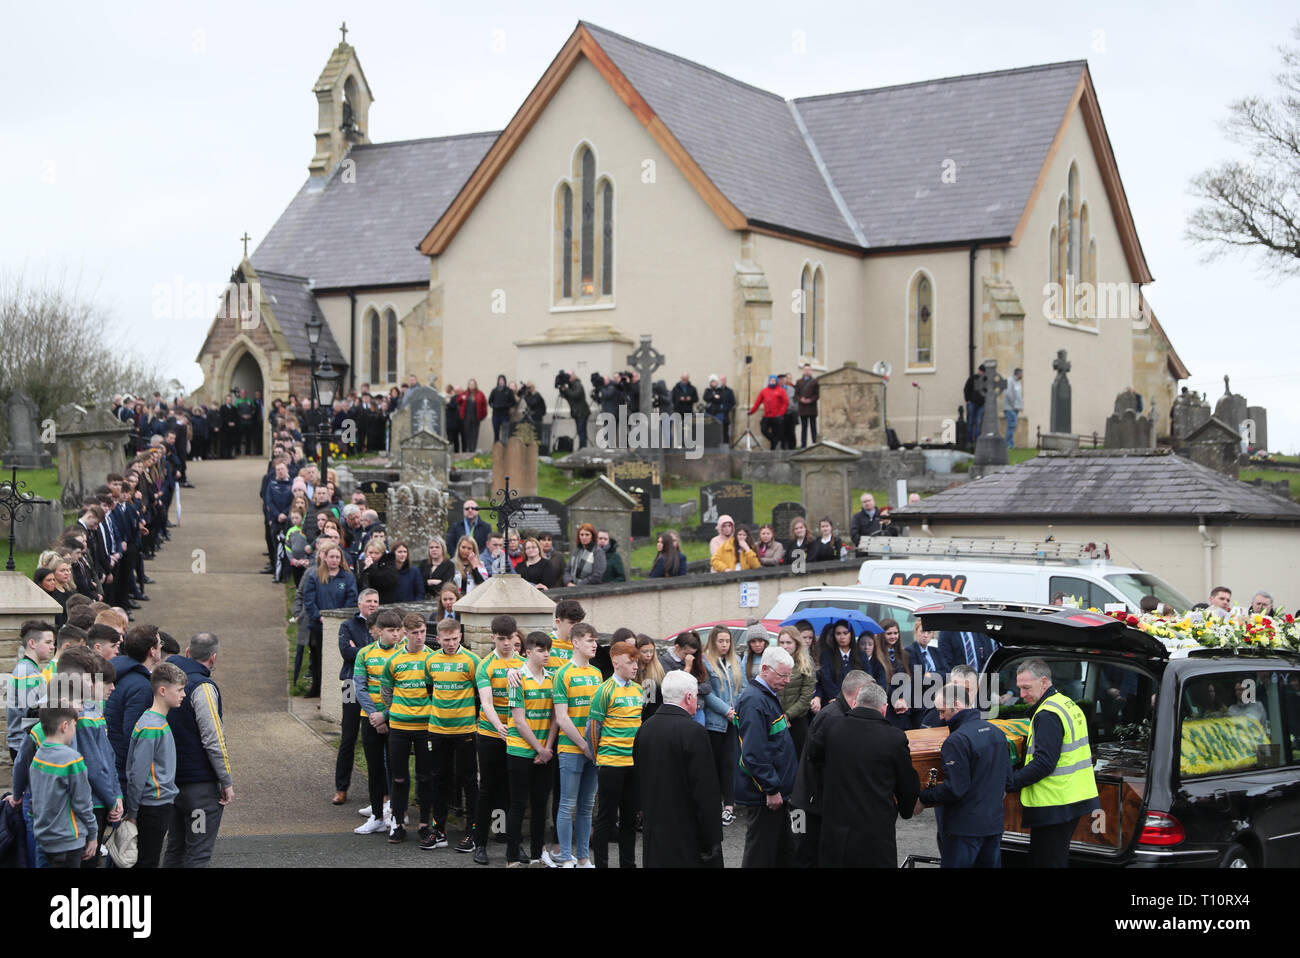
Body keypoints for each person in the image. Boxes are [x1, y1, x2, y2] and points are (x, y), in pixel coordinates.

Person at [812, 680, 919, 867]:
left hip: (836, 832)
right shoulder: (894, 738)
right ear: (884, 708)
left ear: (855, 703)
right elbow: (907, 784)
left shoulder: (832, 729)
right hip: (875, 836)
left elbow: (814, 757)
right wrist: (906, 809)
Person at [1007, 658, 1100, 867]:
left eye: (1026, 688)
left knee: (1047, 861)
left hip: (1053, 802)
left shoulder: (1047, 714)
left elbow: (1043, 764)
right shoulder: (1067, 703)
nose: (1022, 695)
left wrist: (1008, 783)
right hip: (1072, 797)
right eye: (1019, 688)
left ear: (1044, 682)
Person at [634, 669, 724, 867]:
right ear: (689, 697)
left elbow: (638, 779)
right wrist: (713, 838)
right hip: (687, 835)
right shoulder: (694, 732)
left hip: (654, 833)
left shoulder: (645, 729)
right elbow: (705, 790)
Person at [917, 681, 1011, 867]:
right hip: (993, 826)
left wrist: (923, 796)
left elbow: (955, 789)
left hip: (964, 830)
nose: (941, 717)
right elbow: (1008, 781)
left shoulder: (957, 740)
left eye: (943, 711)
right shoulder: (997, 733)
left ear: (957, 705)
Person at [162, 632, 234, 868]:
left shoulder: (165, 681)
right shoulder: (203, 687)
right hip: (199, 791)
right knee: (198, 851)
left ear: (187, 652)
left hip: (170, 783)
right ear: (213, 658)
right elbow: (213, 739)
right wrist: (226, 781)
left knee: (174, 846)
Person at [791, 669, 873, 867]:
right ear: (859, 691)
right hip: (809, 807)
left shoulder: (838, 714)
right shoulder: (834, 718)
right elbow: (817, 756)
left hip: (811, 802)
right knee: (807, 857)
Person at [734, 645, 798, 867]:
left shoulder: (766, 696)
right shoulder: (754, 701)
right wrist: (771, 789)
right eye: (783, 675)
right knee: (760, 855)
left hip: (777, 793)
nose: (787, 681)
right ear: (765, 669)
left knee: (782, 852)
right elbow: (754, 753)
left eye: (790, 675)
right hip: (765, 796)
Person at [548, 622, 603, 867]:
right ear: (576, 642)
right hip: (572, 749)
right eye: (590, 640)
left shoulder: (597, 673)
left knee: (587, 806)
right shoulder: (563, 674)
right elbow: (561, 717)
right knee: (567, 804)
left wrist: (594, 746)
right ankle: (566, 857)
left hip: (593, 749)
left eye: (595, 640)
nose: (595, 645)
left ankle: (583, 858)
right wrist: (584, 745)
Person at [379, 614, 437, 846]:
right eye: (415, 633)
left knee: (425, 776)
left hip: (425, 727)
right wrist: (397, 710)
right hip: (400, 727)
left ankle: (425, 824)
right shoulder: (394, 660)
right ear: (405, 633)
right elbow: (386, 692)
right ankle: (398, 824)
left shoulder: (432, 659)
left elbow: (437, 691)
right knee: (400, 777)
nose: (420, 637)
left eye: (423, 632)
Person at [471, 615, 524, 865]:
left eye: (509, 639)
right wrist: (499, 726)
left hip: (517, 737)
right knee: (487, 790)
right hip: (491, 735)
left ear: (516, 637)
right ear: (493, 638)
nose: (506, 644)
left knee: (515, 792)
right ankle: (479, 843)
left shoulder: (523, 664)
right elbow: (486, 702)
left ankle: (513, 845)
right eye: (501, 639)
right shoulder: (485, 665)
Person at [588, 640, 645, 868]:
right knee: (606, 819)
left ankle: (627, 864)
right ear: (615, 662)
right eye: (630, 662)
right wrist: (598, 758)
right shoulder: (604, 690)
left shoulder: (639, 690)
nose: (635, 667)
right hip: (611, 763)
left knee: (630, 820)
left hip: (633, 765)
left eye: (636, 662)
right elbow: (593, 728)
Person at [124, 660, 187, 868]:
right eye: (179, 689)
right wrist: (132, 813)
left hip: (158, 803)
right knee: (147, 861)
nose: (183, 694)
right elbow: (137, 773)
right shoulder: (152, 726)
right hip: (152, 805)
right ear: (162, 690)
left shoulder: (156, 722)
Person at [426, 616, 481, 853]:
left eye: (454, 639)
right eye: (446, 640)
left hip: (466, 731)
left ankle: (473, 832)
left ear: (461, 637)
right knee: (439, 780)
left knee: (469, 781)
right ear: (438, 639)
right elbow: (430, 688)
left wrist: (471, 717)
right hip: (438, 730)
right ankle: (439, 831)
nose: (450, 643)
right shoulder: (431, 661)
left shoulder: (472, 661)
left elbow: (480, 694)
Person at [506, 631, 557, 867]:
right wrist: (540, 748)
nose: (546, 654)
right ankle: (513, 857)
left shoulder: (553, 678)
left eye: (548, 649)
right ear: (528, 652)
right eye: (540, 649)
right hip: (520, 749)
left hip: (544, 751)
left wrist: (547, 747)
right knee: (517, 804)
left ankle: (537, 855)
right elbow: (519, 720)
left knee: (540, 806)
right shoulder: (517, 678)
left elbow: (557, 716)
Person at [353, 609, 402, 836]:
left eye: (398, 630)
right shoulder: (364, 653)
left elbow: (403, 690)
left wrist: (386, 715)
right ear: (379, 631)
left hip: (395, 718)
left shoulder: (403, 653)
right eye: (391, 631)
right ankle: (377, 816)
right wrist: (375, 715)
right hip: (370, 719)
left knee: (395, 767)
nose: (396, 635)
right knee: (374, 768)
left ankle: (395, 813)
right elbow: (359, 687)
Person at [30, 707, 98, 868]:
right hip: (68, 840)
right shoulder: (71, 759)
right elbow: (82, 803)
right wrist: (93, 834)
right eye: (74, 726)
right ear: (64, 726)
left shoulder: (38, 755)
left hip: (43, 837)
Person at [335, 590, 380, 806]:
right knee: (348, 735)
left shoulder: (382, 624)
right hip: (349, 683)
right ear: (359, 603)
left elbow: (384, 651)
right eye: (369, 601)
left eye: (376, 602)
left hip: (373, 685)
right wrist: (370, 650)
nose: (372, 605)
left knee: (373, 737)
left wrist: (359, 650)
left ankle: (381, 792)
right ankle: (341, 788)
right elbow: (346, 652)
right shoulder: (347, 626)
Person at [106, 624, 164, 789]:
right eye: (160, 644)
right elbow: (135, 737)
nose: (161, 647)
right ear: (152, 651)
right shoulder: (141, 687)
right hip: (124, 774)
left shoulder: (117, 671)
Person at [301, 542, 358, 698]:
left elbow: (352, 599)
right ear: (325, 558)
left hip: (343, 628)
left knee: (344, 661)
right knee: (319, 661)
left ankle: (347, 696)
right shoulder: (315, 576)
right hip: (319, 628)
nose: (334, 560)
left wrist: (339, 618)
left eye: (337, 557)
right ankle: (319, 692)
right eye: (331, 557)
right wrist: (319, 617)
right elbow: (309, 600)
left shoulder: (347, 577)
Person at [701, 626, 743, 827]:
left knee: (729, 764)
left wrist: (735, 711)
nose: (725, 645)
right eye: (721, 641)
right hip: (715, 721)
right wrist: (726, 710)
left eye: (727, 641)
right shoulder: (705, 661)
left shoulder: (737, 661)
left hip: (732, 720)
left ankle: (729, 807)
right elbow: (708, 694)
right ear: (713, 641)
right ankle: (712, 805)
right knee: (712, 764)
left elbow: (742, 688)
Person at [7, 621, 55, 760]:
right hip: (24, 745)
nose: (52, 647)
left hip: (24, 743)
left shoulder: (28, 668)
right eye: (48, 642)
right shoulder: (27, 671)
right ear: (32, 643)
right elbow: (32, 713)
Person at [813, 619, 875, 710]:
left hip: (857, 702)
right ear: (834, 635)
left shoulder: (861, 655)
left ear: (851, 634)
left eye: (845, 633)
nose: (842, 637)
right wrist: (839, 698)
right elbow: (826, 679)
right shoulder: (827, 655)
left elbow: (868, 678)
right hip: (833, 701)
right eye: (838, 633)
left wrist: (854, 698)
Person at [777, 627, 816, 755]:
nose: (785, 646)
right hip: (776, 719)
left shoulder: (805, 664)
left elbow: (806, 697)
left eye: (788, 643)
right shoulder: (774, 662)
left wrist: (787, 715)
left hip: (797, 720)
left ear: (796, 643)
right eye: (782, 643)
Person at [874, 619, 914, 730]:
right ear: (882, 635)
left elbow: (908, 680)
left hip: (903, 706)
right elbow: (881, 682)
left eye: (895, 633)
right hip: (887, 704)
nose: (893, 636)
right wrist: (896, 699)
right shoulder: (876, 656)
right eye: (889, 633)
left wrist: (904, 699)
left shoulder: (904, 654)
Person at [749, 374, 789, 450]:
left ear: (776, 381)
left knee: (776, 432)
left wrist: (781, 413)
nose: (772, 382)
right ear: (769, 381)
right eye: (771, 380)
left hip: (776, 416)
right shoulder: (764, 391)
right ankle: (774, 440)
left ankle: (773, 448)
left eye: (774, 381)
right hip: (767, 416)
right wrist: (751, 411)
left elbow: (785, 403)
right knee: (764, 430)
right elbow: (757, 403)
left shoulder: (781, 391)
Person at [357, 539, 398, 605]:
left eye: (377, 553)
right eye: (370, 553)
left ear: (383, 554)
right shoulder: (360, 564)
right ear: (365, 552)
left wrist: (371, 568)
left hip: (383, 603)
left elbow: (383, 581)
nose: (373, 556)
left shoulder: (389, 565)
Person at [635, 634, 665, 720]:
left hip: (653, 717)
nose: (649, 655)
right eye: (644, 652)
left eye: (651, 651)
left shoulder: (658, 670)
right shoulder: (633, 670)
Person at [458, 379, 487, 451]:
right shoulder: (464, 393)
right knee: (467, 433)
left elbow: (484, 405)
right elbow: (458, 401)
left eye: (473, 384)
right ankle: (467, 448)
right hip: (466, 416)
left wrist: (482, 416)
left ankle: (472, 449)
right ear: (468, 385)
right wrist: (462, 398)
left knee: (474, 433)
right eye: (470, 384)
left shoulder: (480, 394)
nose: (471, 385)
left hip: (476, 416)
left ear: (475, 385)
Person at [794, 363, 819, 447]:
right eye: (805, 370)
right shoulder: (799, 382)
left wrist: (810, 400)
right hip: (803, 408)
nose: (807, 371)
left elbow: (817, 394)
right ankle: (803, 445)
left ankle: (815, 443)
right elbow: (796, 394)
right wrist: (801, 399)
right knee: (804, 427)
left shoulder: (815, 381)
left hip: (812, 408)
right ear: (803, 371)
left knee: (813, 427)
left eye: (808, 370)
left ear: (811, 371)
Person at [488, 374, 517, 444]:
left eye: (502, 380)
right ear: (498, 381)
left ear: (505, 381)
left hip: (505, 415)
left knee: (505, 433)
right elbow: (490, 401)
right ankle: (496, 448)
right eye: (500, 380)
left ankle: (505, 449)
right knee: (496, 432)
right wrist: (494, 406)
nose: (501, 381)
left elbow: (513, 402)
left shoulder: (508, 391)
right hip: (496, 415)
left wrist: (506, 406)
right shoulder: (494, 390)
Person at [1004, 367, 1023, 448]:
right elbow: (1008, 394)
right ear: (1017, 373)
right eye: (1021, 373)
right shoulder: (1010, 381)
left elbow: (1018, 395)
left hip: (1016, 408)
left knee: (1012, 426)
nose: (1022, 375)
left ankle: (1010, 444)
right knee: (1012, 425)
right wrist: (1014, 406)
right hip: (1010, 408)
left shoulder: (1018, 382)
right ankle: (1007, 444)